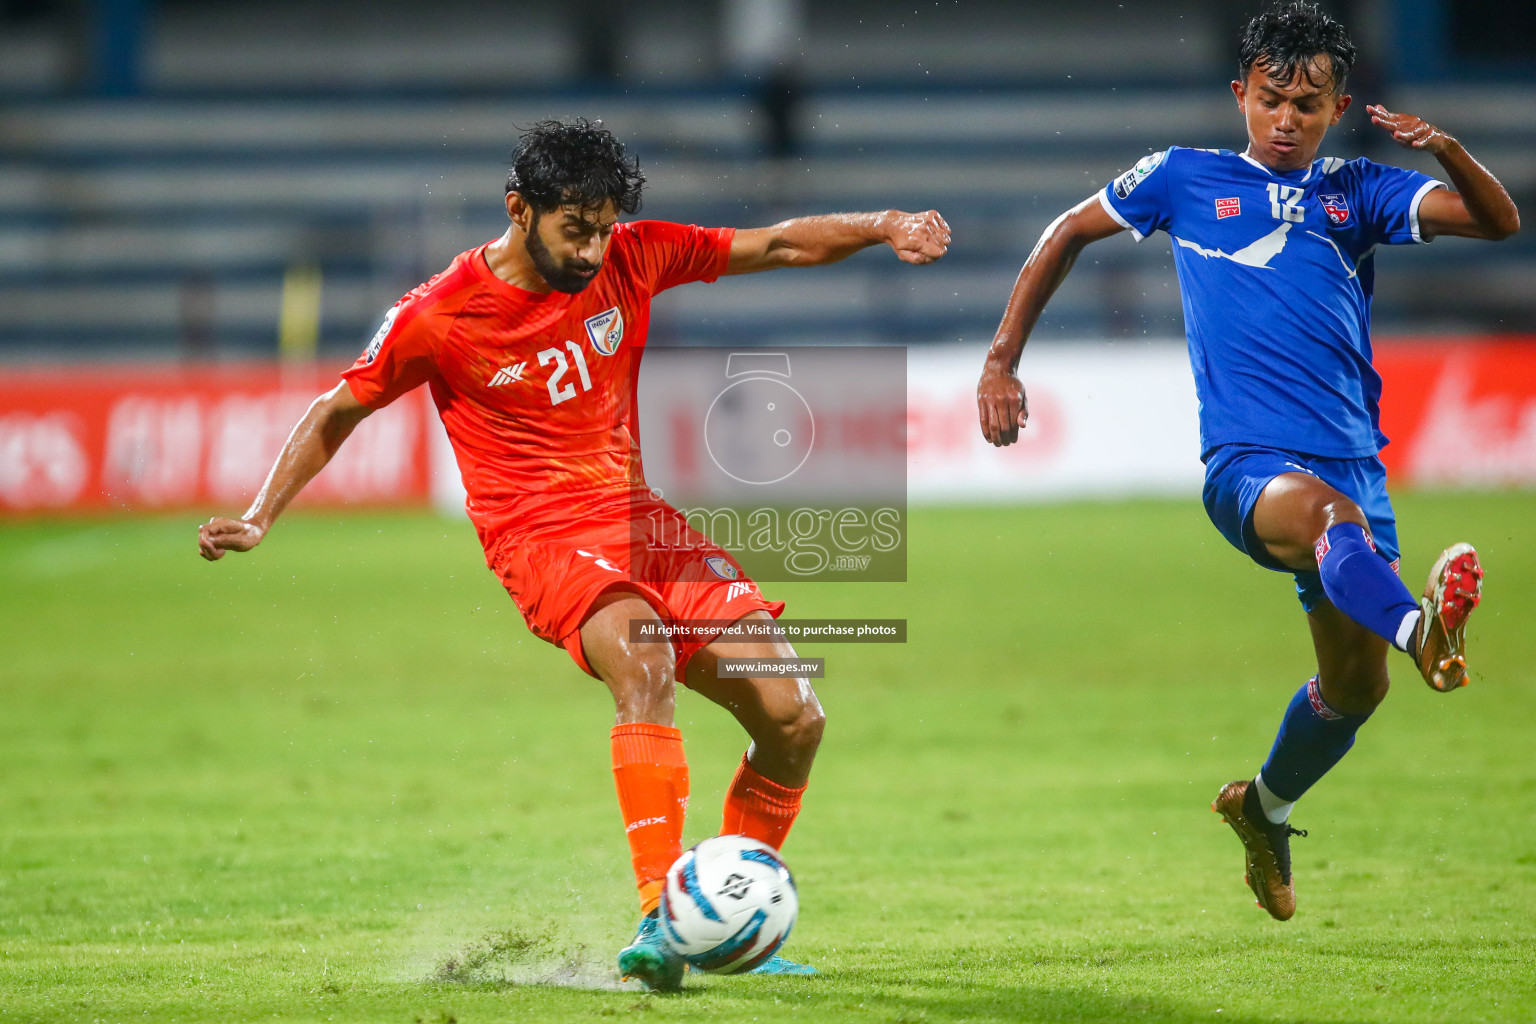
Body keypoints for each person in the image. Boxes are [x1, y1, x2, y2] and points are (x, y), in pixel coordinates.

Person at [199, 118, 950, 987]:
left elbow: (779, 244)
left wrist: (886, 222)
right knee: (646, 660)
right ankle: (658, 922)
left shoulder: (634, 256)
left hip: (640, 519)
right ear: (520, 209)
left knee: (794, 720)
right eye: (574, 229)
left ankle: (714, 920)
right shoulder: (438, 314)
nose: (594, 250)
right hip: (538, 533)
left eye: (602, 227)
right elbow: (338, 408)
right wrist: (261, 515)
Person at [975, 2, 1517, 922]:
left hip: (1354, 461)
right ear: (1241, 96)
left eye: (1309, 104)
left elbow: (1497, 222)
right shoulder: (1182, 178)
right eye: (1272, 100)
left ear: (1338, 105)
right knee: (1331, 532)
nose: (1287, 120)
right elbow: (1067, 232)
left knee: (1355, 687)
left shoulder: (1361, 190)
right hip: (1247, 466)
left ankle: (1264, 810)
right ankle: (1426, 635)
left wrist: (1448, 147)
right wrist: (1000, 360)